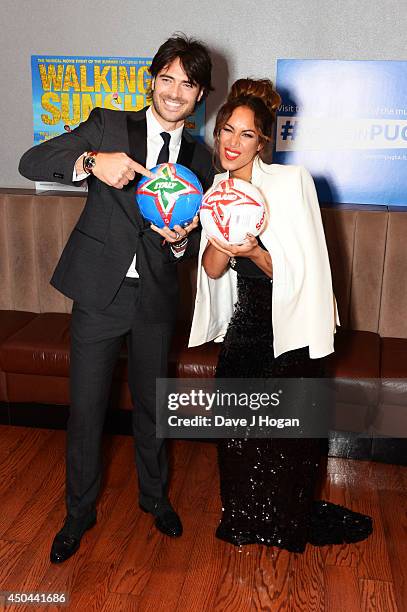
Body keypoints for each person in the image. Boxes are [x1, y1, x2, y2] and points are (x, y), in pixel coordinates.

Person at [19, 34, 214, 563]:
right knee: (86, 409)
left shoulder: (201, 156)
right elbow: (31, 161)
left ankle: (155, 499)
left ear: (200, 96)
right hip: (99, 292)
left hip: (155, 295)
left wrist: (180, 242)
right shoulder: (108, 124)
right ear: (152, 80)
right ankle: (77, 514)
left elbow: (197, 237)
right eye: (167, 78)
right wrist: (90, 160)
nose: (175, 91)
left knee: (153, 407)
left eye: (189, 83)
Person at [189, 78, 373, 552]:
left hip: (289, 322)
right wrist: (219, 238)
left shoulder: (293, 184)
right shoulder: (215, 189)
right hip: (248, 321)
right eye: (227, 130)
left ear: (263, 140)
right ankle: (244, 519)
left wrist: (252, 252)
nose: (232, 142)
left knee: (288, 434)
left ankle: (284, 520)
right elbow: (211, 271)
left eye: (245, 134)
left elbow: (303, 270)